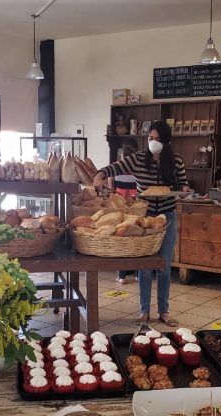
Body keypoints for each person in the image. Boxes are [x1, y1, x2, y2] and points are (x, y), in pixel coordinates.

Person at [93, 121, 189, 326]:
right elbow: (112, 168)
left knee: (164, 266)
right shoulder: (137, 159)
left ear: (167, 141)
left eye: (157, 139)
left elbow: (183, 183)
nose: (153, 142)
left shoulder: (176, 160)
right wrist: (98, 176)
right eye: (150, 138)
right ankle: (143, 311)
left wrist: (185, 189)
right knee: (144, 266)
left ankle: (164, 311)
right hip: (144, 219)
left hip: (167, 217)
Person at [110, 142, 138, 285]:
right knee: (137, 238)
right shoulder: (137, 168)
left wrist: (113, 192)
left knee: (121, 239)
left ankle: (121, 275)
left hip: (119, 207)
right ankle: (138, 274)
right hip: (135, 207)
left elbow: (110, 182)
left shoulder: (117, 167)